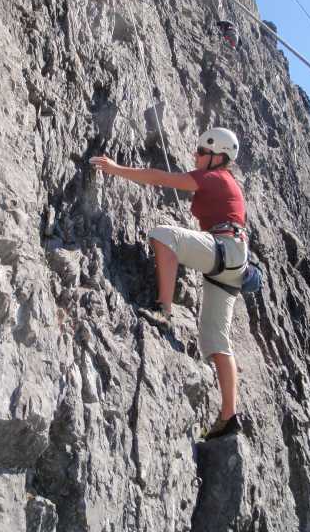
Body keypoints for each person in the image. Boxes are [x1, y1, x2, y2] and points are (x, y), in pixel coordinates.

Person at [90, 127, 247, 440]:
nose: (196, 156)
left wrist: (116, 169)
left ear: (218, 157)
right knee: (214, 340)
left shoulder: (215, 177)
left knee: (164, 235)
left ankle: (164, 309)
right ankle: (229, 416)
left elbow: (162, 178)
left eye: (202, 152)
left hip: (225, 251)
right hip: (232, 263)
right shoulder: (222, 181)